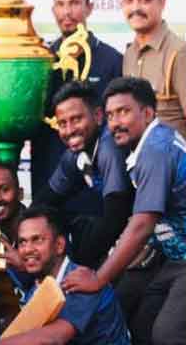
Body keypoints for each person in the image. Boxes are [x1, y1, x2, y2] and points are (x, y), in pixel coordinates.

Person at [61, 77, 186, 345]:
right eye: (110, 115)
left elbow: (142, 224)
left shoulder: (155, 150)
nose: (115, 123)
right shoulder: (150, 143)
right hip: (175, 259)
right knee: (139, 324)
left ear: (148, 113)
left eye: (123, 112)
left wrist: (98, 278)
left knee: (167, 334)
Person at [31, 0, 123, 218]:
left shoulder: (112, 60)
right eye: (61, 4)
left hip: (95, 187)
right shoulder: (40, 61)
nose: (67, 12)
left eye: (74, 3)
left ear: (89, 7)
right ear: (53, 9)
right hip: (48, 178)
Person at [0, 206, 130, 345]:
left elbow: (52, 339)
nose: (27, 249)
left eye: (37, 240)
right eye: (22, 242)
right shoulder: (37, 286)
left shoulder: (80, 281)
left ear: (59, 245)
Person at [33, 82, 133, 269]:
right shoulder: (75, 152)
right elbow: (45, 201)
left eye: (76, 119)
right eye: (62, 123)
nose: (70, 130)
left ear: (98, 116)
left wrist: (75, 266)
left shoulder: (109, 147)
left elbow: (115, 218)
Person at [121, 0, 186, 139]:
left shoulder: (180, 53)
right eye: (129, 1)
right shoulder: (129, 54)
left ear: (162, 3)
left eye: (144, 0)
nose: (135, 8)